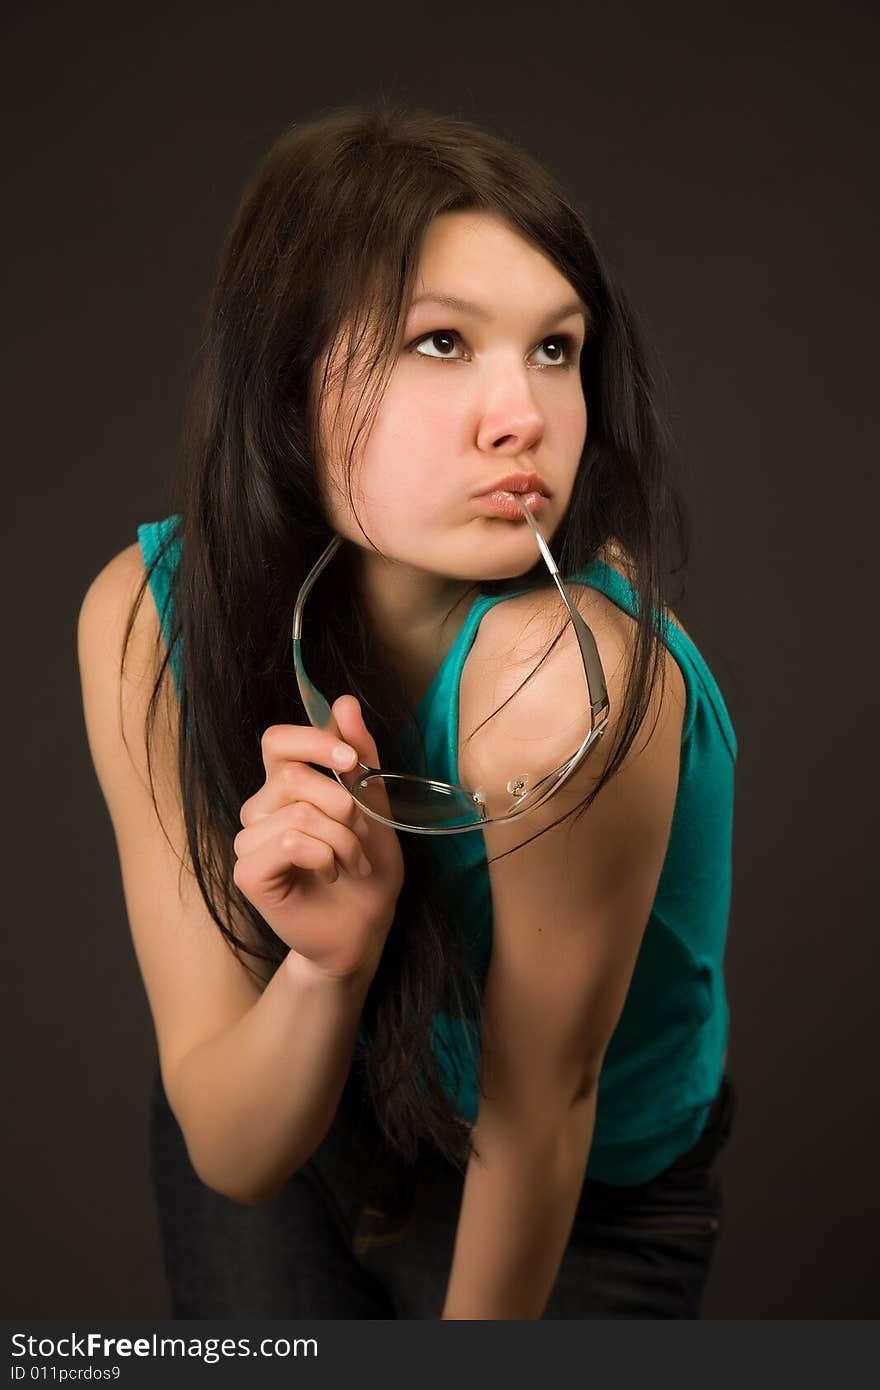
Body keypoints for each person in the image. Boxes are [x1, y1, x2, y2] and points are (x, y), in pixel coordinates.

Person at [77, 102, 738, 1320]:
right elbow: (234, 1142)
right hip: (309, 1108)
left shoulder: (561, 691)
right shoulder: (149, 622)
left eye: (556, 348)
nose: (523, 417)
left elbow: (540, 1111)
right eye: (441, 343)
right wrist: (325, 968)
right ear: (286, 382)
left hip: (574, 1187)